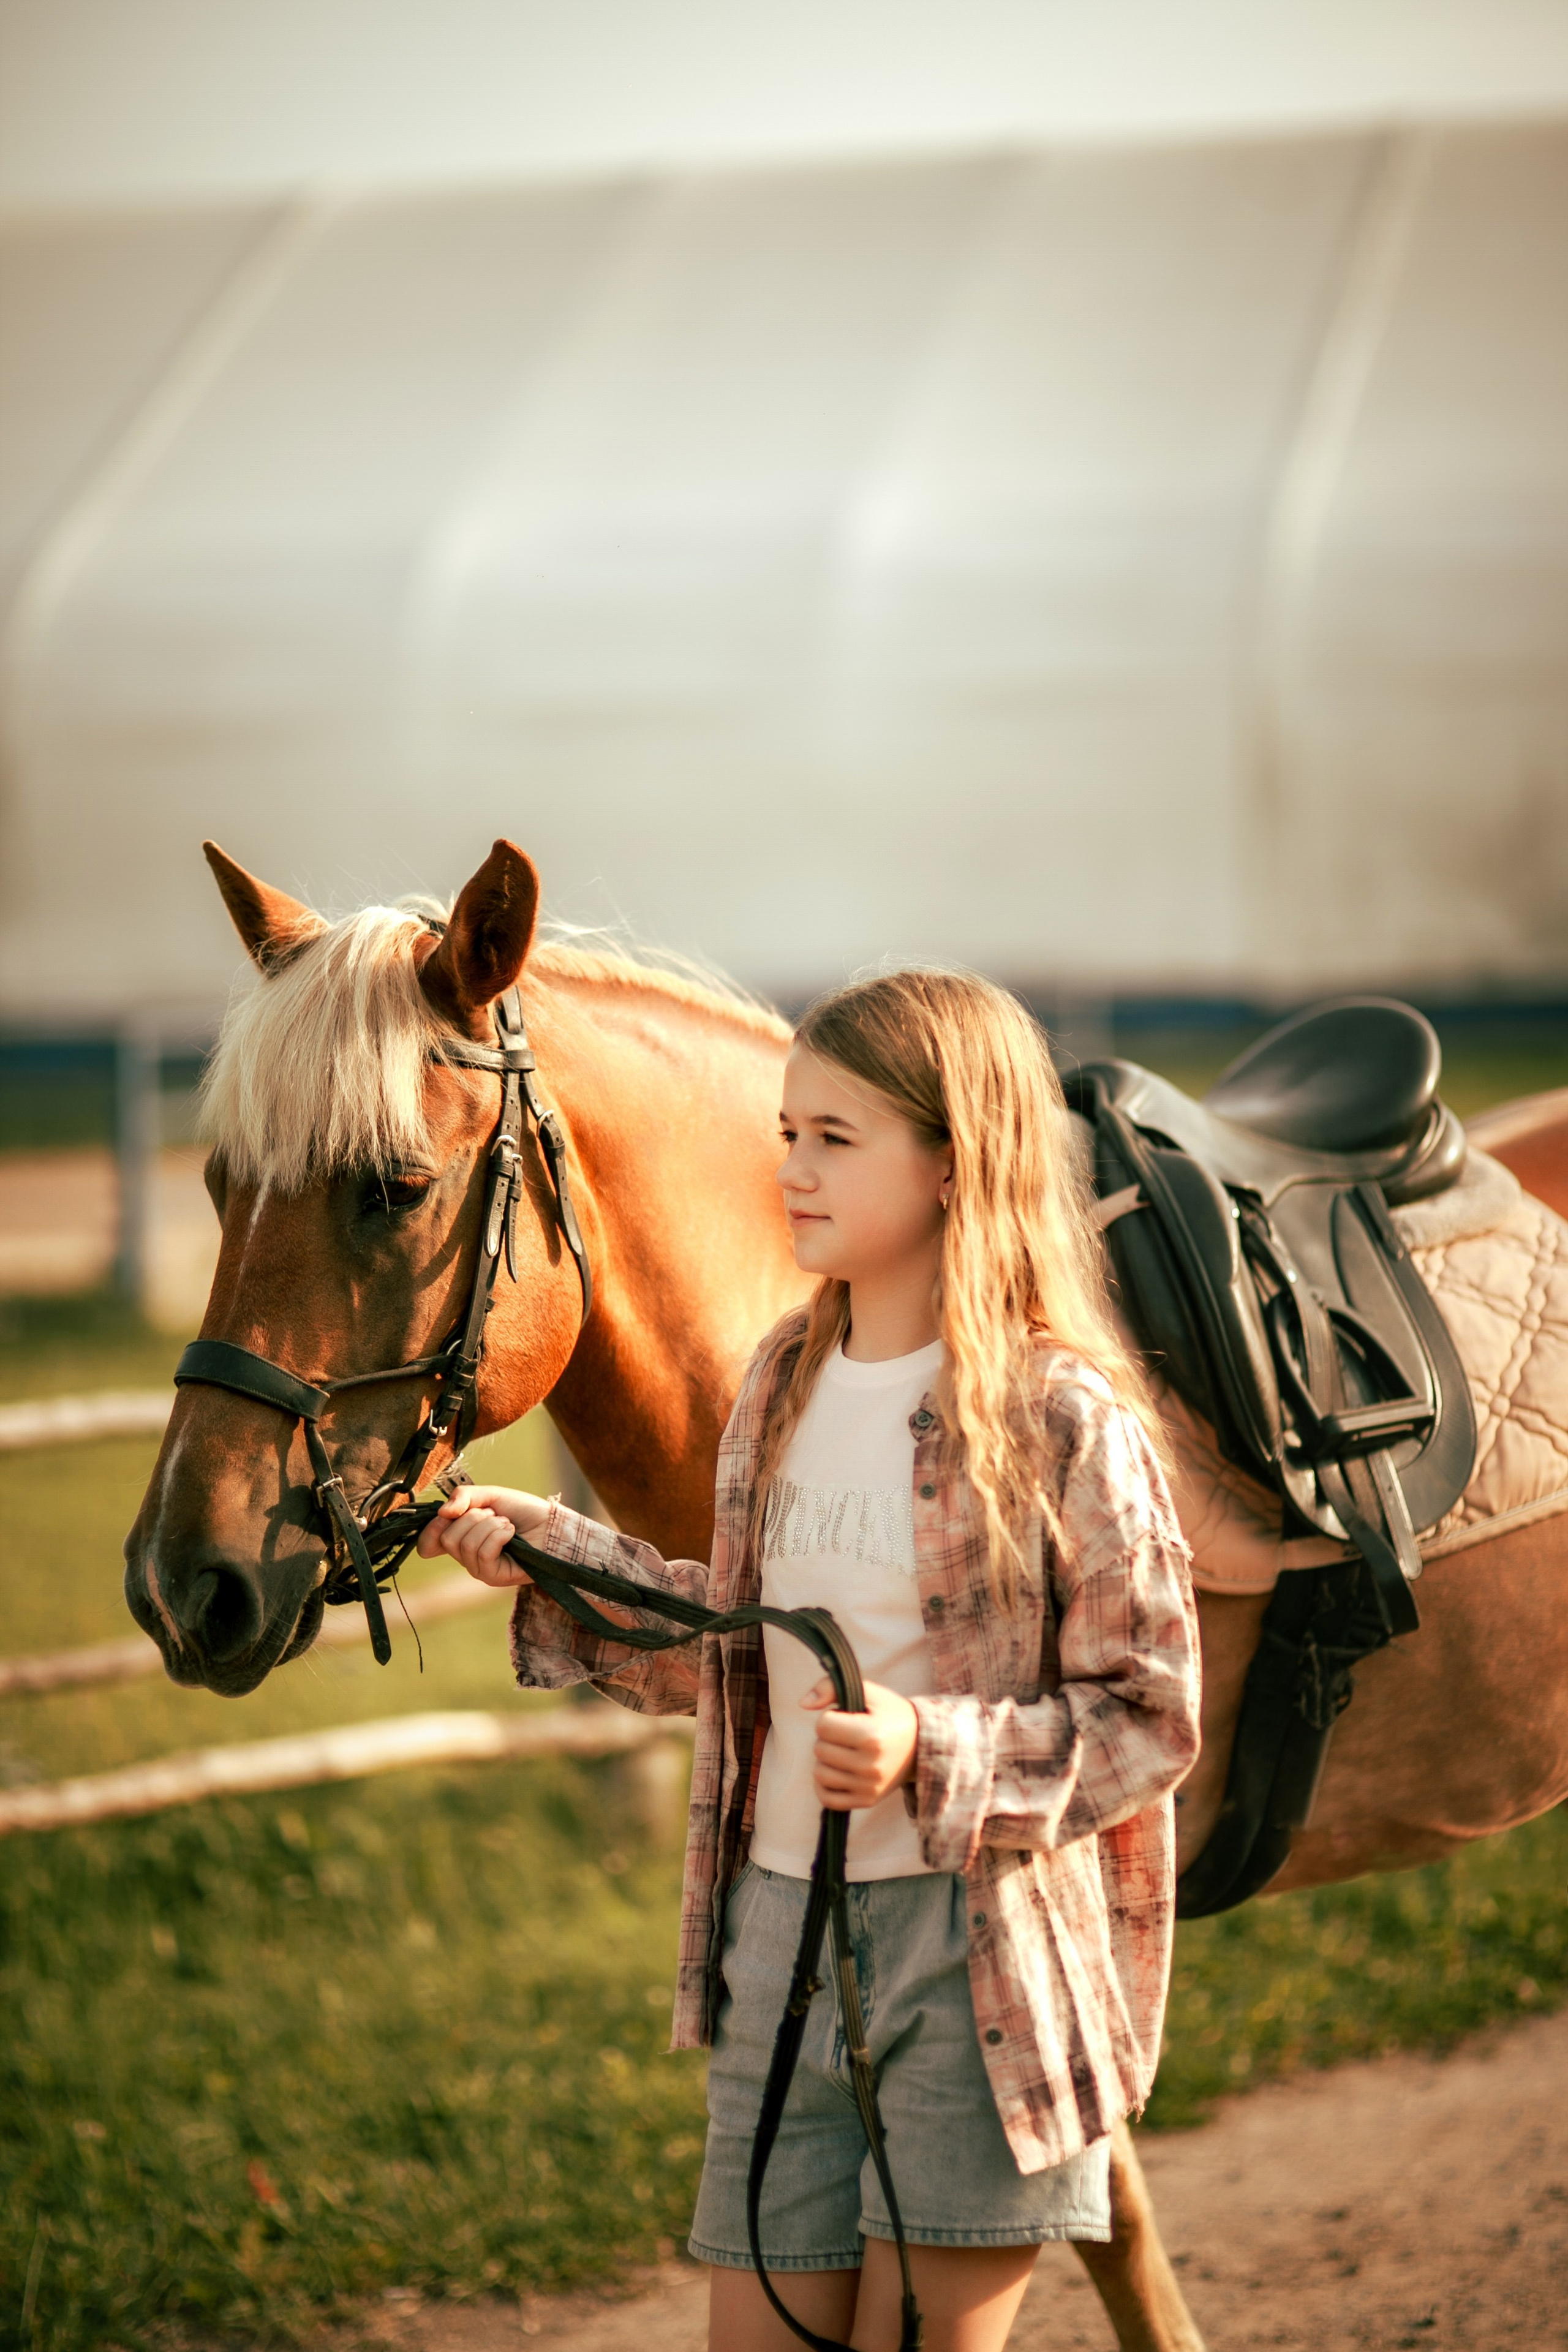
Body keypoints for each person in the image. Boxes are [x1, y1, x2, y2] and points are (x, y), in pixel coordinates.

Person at [418, 968, 1202, 2352]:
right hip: (775, 1936)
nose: (788, 1168)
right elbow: (731, 1647)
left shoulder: (1063, 1418)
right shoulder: (778, 1382)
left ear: (954, 1161)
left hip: (975, 1966)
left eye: (834, 1139)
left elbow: (1145, 1717)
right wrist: (545, 1551)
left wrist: (929, 1751)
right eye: (786, 1132)